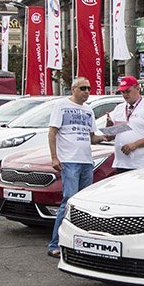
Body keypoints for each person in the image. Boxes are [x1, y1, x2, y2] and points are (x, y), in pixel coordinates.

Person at [46, 77, 107, 257]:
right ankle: (55, 244)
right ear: (73, 89)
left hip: (86, 160)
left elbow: (92, 137)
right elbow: (52, 132)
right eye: (83, 88)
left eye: (88, 88)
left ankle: (78, 242)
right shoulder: (61, 106)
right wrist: (54, 157)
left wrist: (109, 135)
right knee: (68, 200)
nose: (87, 92)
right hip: (69, 160)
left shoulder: (88, 110)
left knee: (83, 204)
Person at [108, 75, 144, 174]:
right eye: (123, 92)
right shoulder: (119, 108)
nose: (125, 95)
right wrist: (109, 125)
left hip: (143, 164)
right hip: (122, 163)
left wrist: (135, 144)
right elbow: (111, 135)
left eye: (128, 91)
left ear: (137, 88)